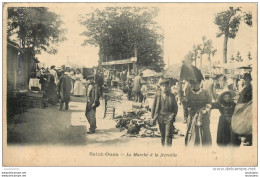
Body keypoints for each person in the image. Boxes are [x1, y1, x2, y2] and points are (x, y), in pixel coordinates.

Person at [184, 80, 212, 146]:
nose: (195, 85)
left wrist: (205, 110)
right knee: (193, 131)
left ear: (199, 84)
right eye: (193, 84)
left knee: (205, 131)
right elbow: (186, 105)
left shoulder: (205, 92)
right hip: (192, 115)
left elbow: (210, 102)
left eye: (196, 84)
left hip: (203, 115)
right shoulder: (189, 93)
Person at [151, 79, 178, 147]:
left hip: (169, 117)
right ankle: (164, 148)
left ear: (168, 87)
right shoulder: (158, 95)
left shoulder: (171, 95)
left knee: (168, 134)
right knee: (162, 135)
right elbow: (153, 106)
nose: (164, 88)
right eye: (163, 86)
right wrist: (152, 117)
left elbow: (175, 107)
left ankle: (168, 149)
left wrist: (173, 115)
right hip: (160, 116)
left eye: (166, 86)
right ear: (160, 87)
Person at [237, 73, 253, 146]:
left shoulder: (250, 87)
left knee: (248, 123)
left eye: (246, 79)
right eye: (244, 79)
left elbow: (250, 98)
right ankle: (247, 138)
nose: (245, 80)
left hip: (247, 107)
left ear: (250, 79)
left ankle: (250, 140)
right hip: (243, 106)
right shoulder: (245, 86)